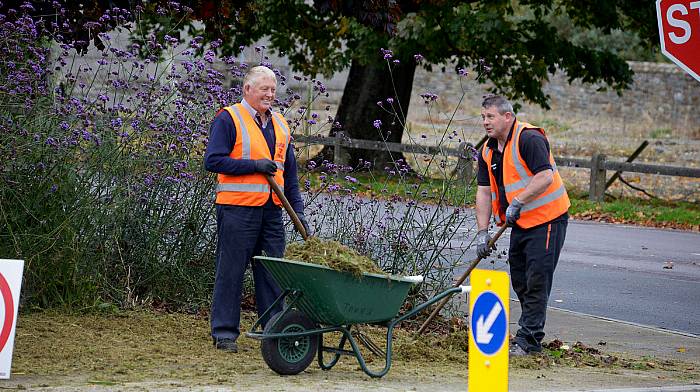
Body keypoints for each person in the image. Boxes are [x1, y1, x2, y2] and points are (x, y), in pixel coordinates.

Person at [204, 65, 310, 352]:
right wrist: (253, 166)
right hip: (237, 210)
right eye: (264, 88)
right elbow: (213, 161)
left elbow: (289, 176)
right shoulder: (229, 118)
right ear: (247, 89)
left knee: (273, 273)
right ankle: (224, 333)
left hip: (272, 212)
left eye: (273, 89)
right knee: (231, 271)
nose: (270, 94)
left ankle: (274, 330)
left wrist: (297, 211)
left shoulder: (281, 125)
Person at [474, 95, 570, 356]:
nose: (485, 122)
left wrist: (518, 201)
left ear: (507, 116)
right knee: (520, 279)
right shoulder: (488, 151)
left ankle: (529, 341)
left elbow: (545, 176)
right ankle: (528, 334)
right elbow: (484, 192)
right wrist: (482, 232)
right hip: (520, 223)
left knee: (537, 277)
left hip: (548, 218)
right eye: (483, 117)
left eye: (490, 116)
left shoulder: (529, 138)